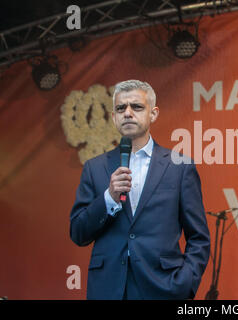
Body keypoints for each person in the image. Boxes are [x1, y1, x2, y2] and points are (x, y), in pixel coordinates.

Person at [69, 79, 210, 300]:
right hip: (108, 290)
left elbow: (199, 237)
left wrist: (185, 283)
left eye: (136, 107)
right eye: (120, 108)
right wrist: (108, 198)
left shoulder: (179, 166)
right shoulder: (94, 168)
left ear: (153, 114)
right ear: (114, 117)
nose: (127, 113)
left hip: (163, 288)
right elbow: (78, 232)